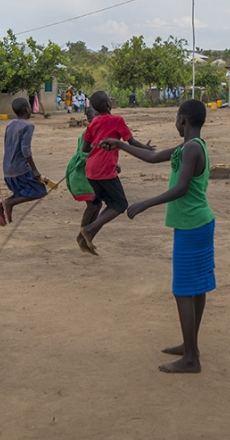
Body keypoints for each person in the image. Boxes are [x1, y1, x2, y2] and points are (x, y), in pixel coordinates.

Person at [101, 99, 215, 373]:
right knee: (196, 288)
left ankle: (190, 358)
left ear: (182, 120)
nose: (175, 124)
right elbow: (152, 157)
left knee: (183, 290)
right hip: (198, 223)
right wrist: (119, 144)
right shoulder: (192, 146)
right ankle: (191, 346)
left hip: (191, 225)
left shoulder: (190, 149)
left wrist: (145, 203)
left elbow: (182, 188)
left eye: (176, 120)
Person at [77, 91, 154, 255]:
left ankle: (85, 238)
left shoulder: (93, 122)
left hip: (90, 170)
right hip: (104, 170)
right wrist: (146, 148)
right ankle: (88, 230)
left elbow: (85, 148)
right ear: (108, 104)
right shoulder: (117, 120)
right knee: (120, 204)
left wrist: (98, 150)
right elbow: (131, 142)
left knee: (107, 204)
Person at [0, 98, 48, 226]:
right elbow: (25, 149)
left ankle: (1, 205)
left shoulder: (10, 124)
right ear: (27, 110)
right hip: (20, 169)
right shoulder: (28, 126)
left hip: (7, 169)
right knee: (40, 190)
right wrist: (34, 169)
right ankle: (9, 203)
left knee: (20, 191)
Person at [66, 105, 103, 253]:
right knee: (93, 204)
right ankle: (82, 236)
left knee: (98, 205)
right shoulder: (86, 133)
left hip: (92, 174)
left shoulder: (100, 132)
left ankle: (87, 235)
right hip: (81, 173)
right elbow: (83, 155)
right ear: (88, 120)